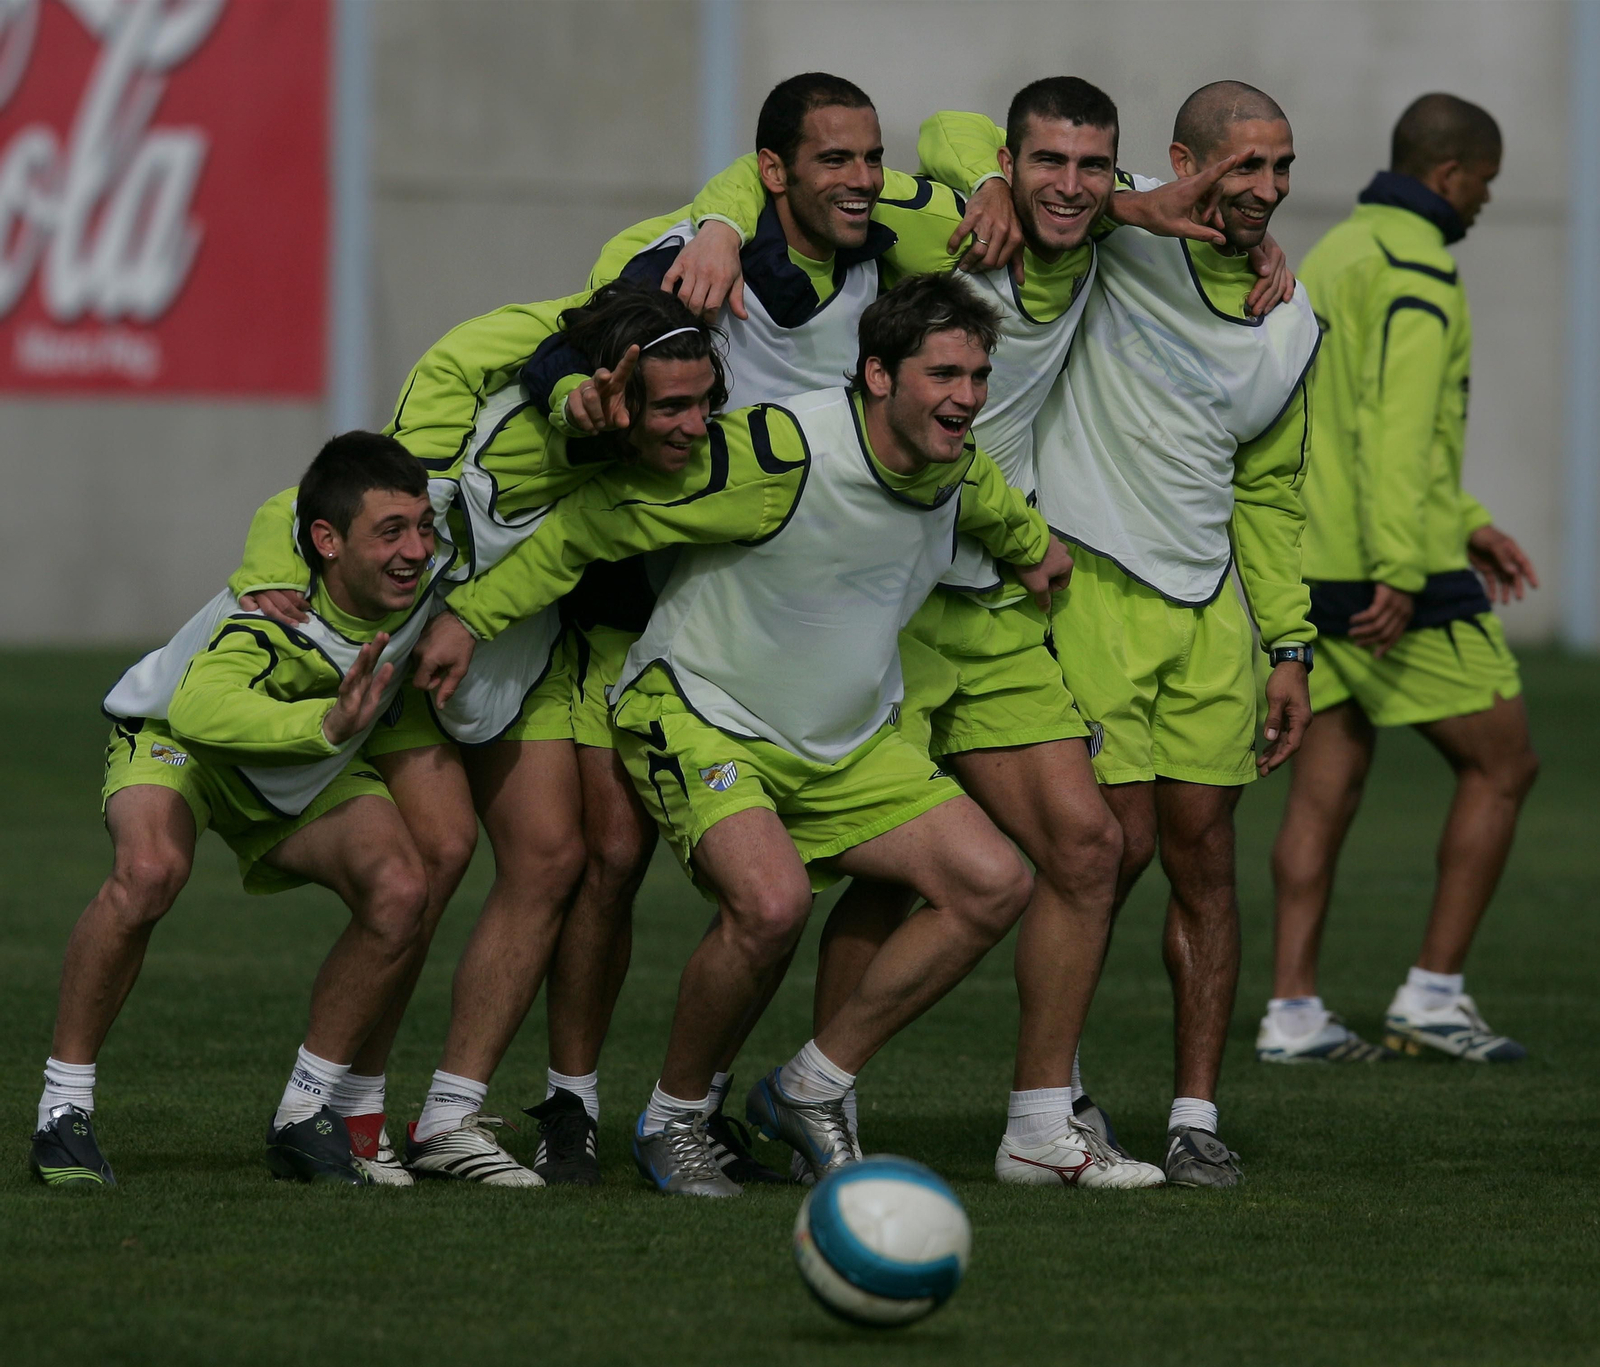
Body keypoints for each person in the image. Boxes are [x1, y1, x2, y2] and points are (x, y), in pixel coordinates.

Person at [589, 73, 1268, 1189]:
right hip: (878, 598)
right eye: (1043, 164)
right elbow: (860, 158)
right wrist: (717, 222)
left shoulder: (1103, 226)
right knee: (857, 881)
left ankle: (1034, 1123)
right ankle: (773, 1106)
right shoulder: (944, 216)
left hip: (987, 597)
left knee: (1087, 848)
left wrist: (1212, 234)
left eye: (1092, 170)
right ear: (1007, 162)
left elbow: (1179, 202)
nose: (1068, 186)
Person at [413, 274, 1075, 1197]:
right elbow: (592, 524)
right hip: (701, 715)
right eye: (944, 375)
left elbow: (994, 504)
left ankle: (811, 1084)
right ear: (878, 376)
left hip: (843, 745)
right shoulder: (779, 452)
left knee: (995, 882)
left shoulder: (955, 465)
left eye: (978, 375)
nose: (967, 396)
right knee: (770, 905)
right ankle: (672, 1119)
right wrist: (469, 618)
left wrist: (1038, 548)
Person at [229, 284, 727, 1185]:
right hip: (410, 648)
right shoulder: (477, 425)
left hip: (508, 649)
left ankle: (449, 1119)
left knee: (551, 856)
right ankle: (343, 1109)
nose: (696, 426)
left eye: (705, 403)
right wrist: (268, 565)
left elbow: (564, 548)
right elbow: (329, 493)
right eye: (673, 407)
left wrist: (475, 618)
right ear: (612, 390)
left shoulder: (648, 465)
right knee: (437, 855)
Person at [919, 82, 1320, 1187]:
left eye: (1280, 166)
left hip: (1212, 615)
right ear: (1182, 163)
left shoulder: (1293, 319)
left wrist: (1289, 646)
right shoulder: (1109, 216)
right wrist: (989, 180)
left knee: (1206, 861)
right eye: (1242, 165)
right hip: (1086, 584)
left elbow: (1270, 493)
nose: (1265, 188)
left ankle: (1194, 1115)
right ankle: (1059, 1094)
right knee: (1108, 849)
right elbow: (956, 128)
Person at [31, 434, 438, 1188]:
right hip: (179, 737)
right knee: (149, 872)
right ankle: (63, 1111)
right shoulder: (275, 610)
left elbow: (299, 500)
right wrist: (326, 725)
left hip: (292, 762)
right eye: (391, 533)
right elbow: (200, 706)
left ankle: (304, 1113)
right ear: (327, 541)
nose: (415, 550)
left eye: (422, 527)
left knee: (402, 889)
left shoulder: (425, 559)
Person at [1259, 93, 1538, 1066]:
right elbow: (1396, 429)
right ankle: (1432, 995)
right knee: (1505, 763)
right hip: (1383, 569)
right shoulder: (1419, 266)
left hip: (1311, 561)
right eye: (1485, 185)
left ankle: (1293, 1012)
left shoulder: (1338, 250)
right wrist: (1406, 567)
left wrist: (1468, 521)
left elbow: (1345, 417)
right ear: (1450, 175)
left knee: (1326, 785)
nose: (1485, 203)